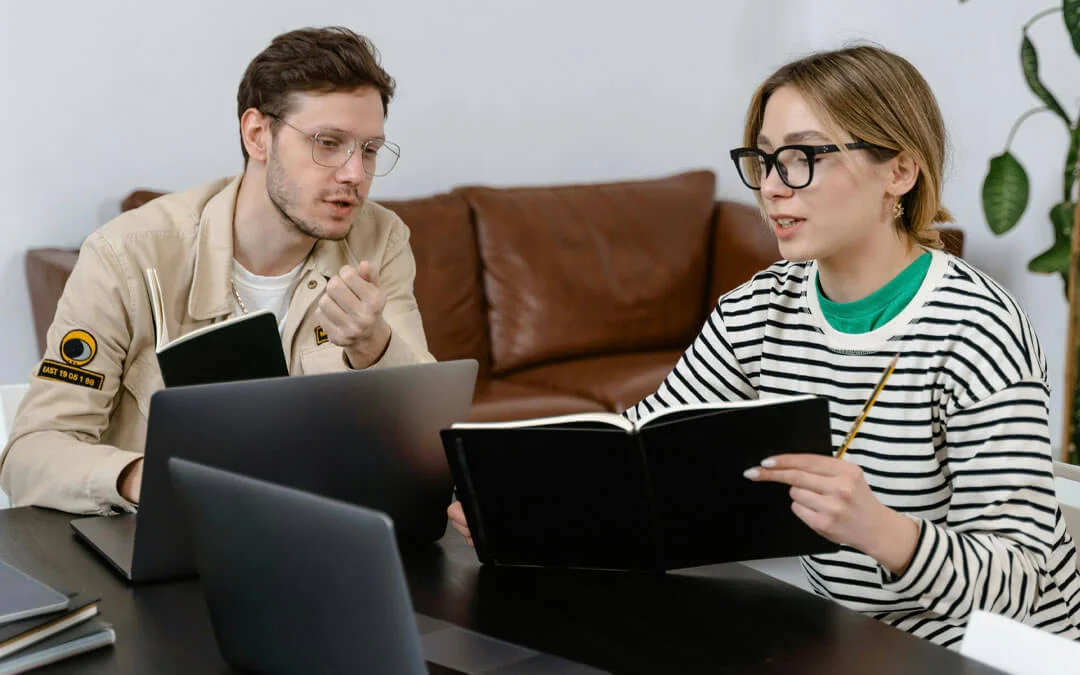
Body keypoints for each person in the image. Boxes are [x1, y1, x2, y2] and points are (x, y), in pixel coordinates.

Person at [449, 44, 1080, 647]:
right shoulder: (759, 308)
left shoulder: (978, 330)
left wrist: (881, 531)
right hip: (846, 639)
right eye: (766, 160)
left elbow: (1017, 583)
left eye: (804, 157)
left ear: (900, 170)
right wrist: (522, 505)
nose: (773, 187)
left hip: (987, 653)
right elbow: (635, 450)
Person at [1, 26, 434, 514]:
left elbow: (424, 431)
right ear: (257, 135)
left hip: (324, 532)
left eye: (370, 150)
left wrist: (374, 346)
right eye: (328, 143)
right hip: (172, 542)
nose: (355, 174)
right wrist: (144, 477)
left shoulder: (381, 239)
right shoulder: (125, 256)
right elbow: (30, 453)